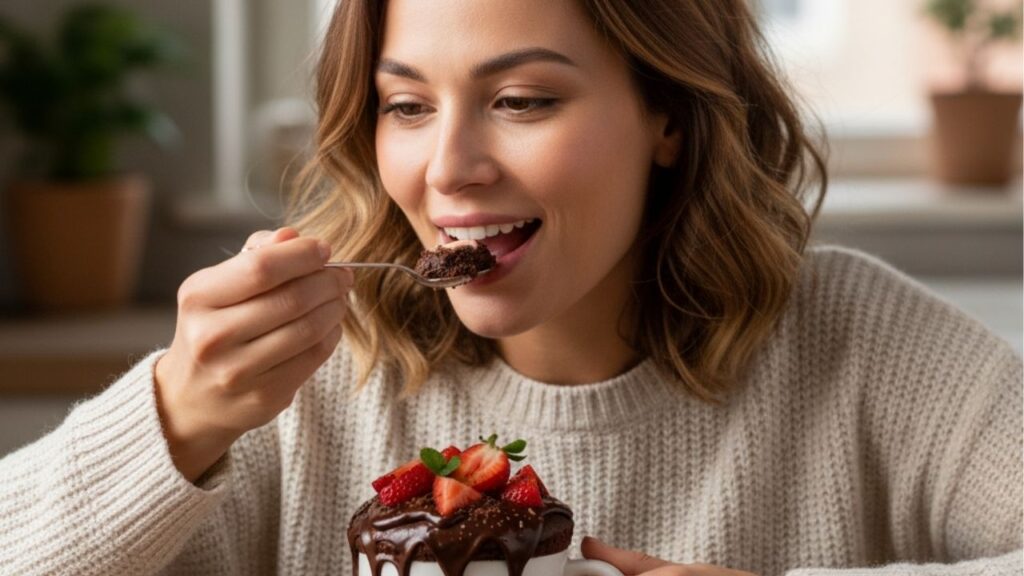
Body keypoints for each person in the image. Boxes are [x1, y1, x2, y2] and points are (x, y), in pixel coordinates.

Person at [1, 0, 1020, 575]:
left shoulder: (866, 347)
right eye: (405, 106)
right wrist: (173, 419)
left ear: (669, 116)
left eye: (522, 100)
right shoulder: (298, 383)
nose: (448, 168)